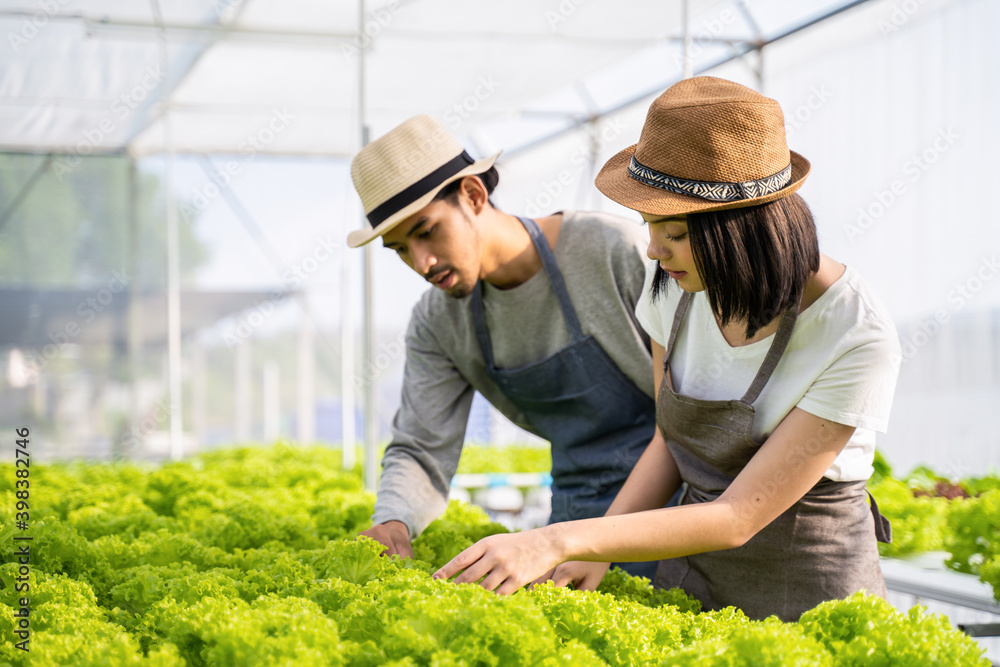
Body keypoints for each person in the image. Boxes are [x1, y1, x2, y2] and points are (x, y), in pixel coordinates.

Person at [433, 76, 902, 622]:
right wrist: (596, 553)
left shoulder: (853, 334)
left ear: (741, 227)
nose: (653, 250)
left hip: (809, 594)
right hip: (698, 581)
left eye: (674, 233)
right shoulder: (676, 291)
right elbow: (667, 441)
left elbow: (736, 517)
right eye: (649, 226)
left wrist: (560, 540)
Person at [347, 115, 662, 577]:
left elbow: (693, 414)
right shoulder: (439, 322)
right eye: (399, 249)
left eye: (426, 231)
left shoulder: (611, 250)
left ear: (473, 196)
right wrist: (393, 521)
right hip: (577, 513)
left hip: (683, 504)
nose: (422, 263)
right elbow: (422, 447)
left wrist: (602, 541)